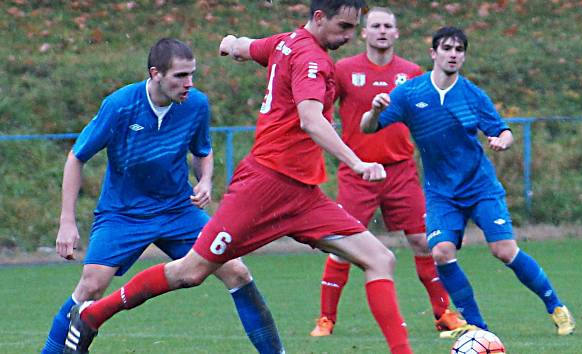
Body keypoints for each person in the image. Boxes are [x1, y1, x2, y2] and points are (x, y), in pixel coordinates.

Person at [64, 2, 414, 354]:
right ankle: (94, 315)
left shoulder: (285, 42)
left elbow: (248, 46)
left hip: (304, 195)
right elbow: (310, 119)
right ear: (319, 18)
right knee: (191, 272)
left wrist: (231, 44)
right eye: (343, 27)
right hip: (264, 187)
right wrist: (357, 163)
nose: (349, 36)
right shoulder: (313, 60)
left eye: (354, 28)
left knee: (380, 258)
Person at [42, 38, 284, 354]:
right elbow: (76, 157)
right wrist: (67, 222)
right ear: (156, 73)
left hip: (177, 211)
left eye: (192, 74)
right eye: (180, 76)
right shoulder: (120, 105)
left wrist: (206, 181)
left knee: (237, 271)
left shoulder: (196, 104)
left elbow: (203, 151)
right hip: (123, 214)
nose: (189, 83)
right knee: (91, 285)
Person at [360, 26, 576, 339]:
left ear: (463, 56)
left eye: (459, 50)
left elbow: (503, 131)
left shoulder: (473, 95)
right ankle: (477, 327)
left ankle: (556, 306)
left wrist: (503, 140)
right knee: (441, 252)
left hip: (480, 187)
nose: (453, 54)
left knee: (504, 250)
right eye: (447, 48)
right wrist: (375, 110)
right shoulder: (410, 93)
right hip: (441, 193)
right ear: (434, 53)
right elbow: (368, 128)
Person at [310, 7, 466, 337]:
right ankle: (326, 319)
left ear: (396, 33)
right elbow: (319, 110)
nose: (382, 31)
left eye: (388, 26)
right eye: (376, 26)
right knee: (342, 243)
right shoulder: (343, 70)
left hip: (400, 170)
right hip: (358, 172)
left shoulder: (410, 73)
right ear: (364, 32)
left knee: (424, 241)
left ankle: (443, 313)